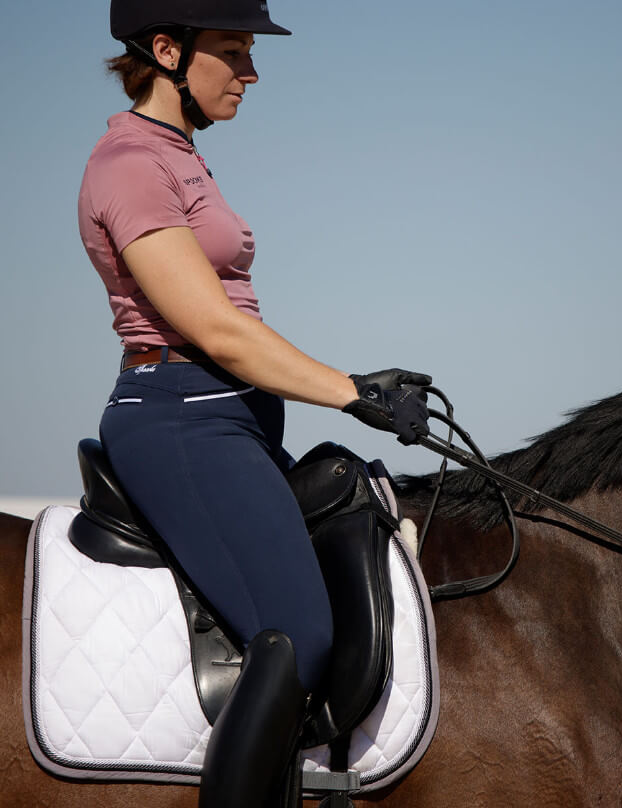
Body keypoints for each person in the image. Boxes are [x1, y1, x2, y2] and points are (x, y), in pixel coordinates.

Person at [77, 2, 431, 806]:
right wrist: (353, 393)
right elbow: (215, 330)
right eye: (233, 52)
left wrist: (352, 389)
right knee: (297, 633)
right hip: (180, 417)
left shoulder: (179, 155)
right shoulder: (130, 162)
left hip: (229, 416)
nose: (251, 73)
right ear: (165, 51)